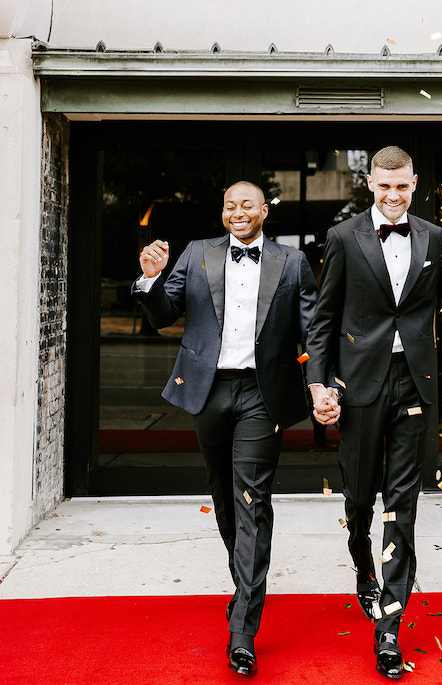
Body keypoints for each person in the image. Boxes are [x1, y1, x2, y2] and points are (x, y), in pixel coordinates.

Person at [306, 146, 442, 679]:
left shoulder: (432, 236)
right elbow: (323, 317)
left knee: (402, 505)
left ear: (414, 183)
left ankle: (388, 630)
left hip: (414, 384)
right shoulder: (343, 237)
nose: (393, 195)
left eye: (401, 186)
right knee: (359, 496)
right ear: (371, 185)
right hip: (358, 383)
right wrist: (317, 383)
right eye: (383, 186)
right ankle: (363, 568)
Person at [133, 181, 318, 676]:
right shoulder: (197, 253)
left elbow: (312, 327)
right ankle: (246, 585)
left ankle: (243, 630)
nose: (238, 212)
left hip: (264, 392)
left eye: (247, 205)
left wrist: (325, 383)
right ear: (223, 213)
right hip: (207, 389)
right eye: (230, 206)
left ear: (264, 212)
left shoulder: (291, 261)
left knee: (252, 499)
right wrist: (150, 280)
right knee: (223, 494)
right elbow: (163, 315)